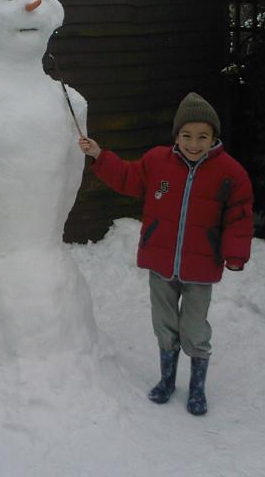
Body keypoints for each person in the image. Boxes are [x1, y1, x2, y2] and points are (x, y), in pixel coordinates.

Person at [78, 92, 253, 415]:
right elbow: (128, 178)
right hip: (160, 264)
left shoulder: (231, 173)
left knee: (194, 329)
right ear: (177, 136)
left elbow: (239, 216)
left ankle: (197, 388)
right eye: (187, 136)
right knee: (164, 324)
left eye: (203, 136)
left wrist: (235, 253)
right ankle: (167, 379)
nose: (194, 144)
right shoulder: (157, 161)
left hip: (201, 267)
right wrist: (99, 155)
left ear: (214, 137)